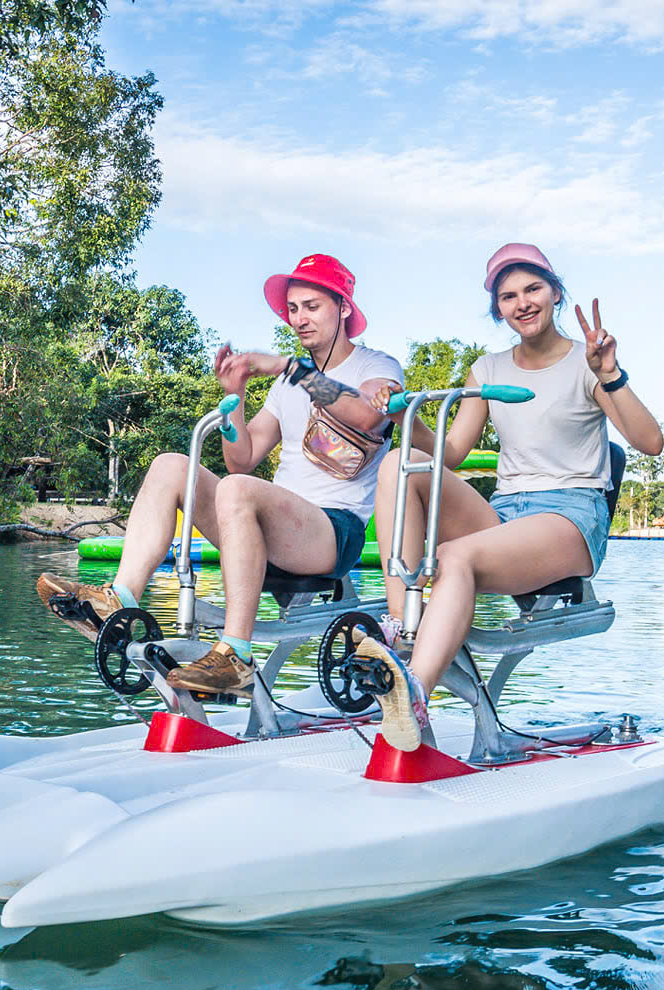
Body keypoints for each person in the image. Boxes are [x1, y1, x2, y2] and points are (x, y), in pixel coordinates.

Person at [35, 254, 406, 695]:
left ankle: (236, 654)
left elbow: (367, 415)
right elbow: (242, 460)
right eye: (293, 309)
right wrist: (237, 396)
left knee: (237, 490)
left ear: (343, 307)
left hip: (333, 530)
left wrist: (291, 368)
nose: (299, 318)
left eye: (312, 306)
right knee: (170, 466)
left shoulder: (375, 366)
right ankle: (120, 601)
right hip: (274, 524)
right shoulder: (285, 385)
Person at [356, 243, 663, 749]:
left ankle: (413, 694)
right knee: (398, 463)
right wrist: (397, 417)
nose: (521, 302)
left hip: (568, 515)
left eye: (532, 289)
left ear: (555, 292)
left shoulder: (586, 363)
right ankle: (403, 631)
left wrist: (608, 370)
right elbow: (450, 454)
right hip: (504, 515)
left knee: (455, 557)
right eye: (507, 296)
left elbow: (651, 443)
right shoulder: (489, 369)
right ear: (497, 308)